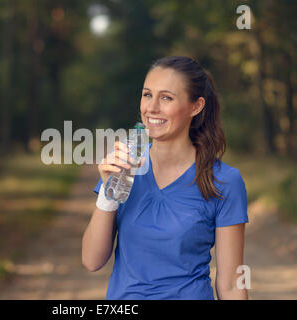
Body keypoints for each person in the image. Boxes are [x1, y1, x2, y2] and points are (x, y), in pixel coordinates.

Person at [81, 56, 249, 300]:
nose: (151, 108)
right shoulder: (124, 168)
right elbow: (91, 260)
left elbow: (232, 285)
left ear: (196, 106)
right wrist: (109, 194)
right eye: (147, 94)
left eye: (166, 98)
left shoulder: (224, 180)